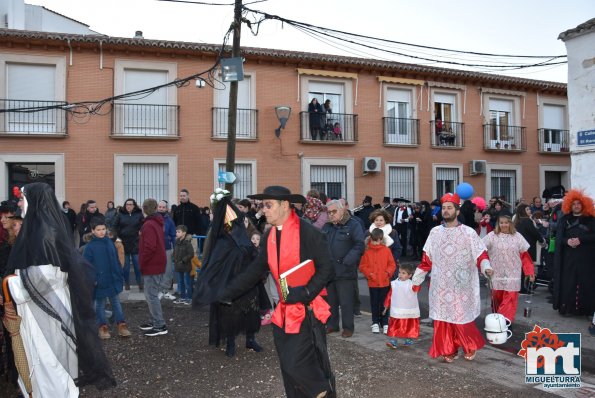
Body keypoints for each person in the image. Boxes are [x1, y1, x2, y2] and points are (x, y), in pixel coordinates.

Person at [217, 186, 336, 397]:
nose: (264, 210)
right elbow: (255, 271)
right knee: (287, 369)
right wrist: (228, 291)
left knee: (298, 365)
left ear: (285, 205)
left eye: (268, 205)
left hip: (307, 312)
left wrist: (306, 292)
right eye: (262, 205)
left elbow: (326, 269)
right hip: (284, 310)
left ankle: (322, 392)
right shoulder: (269, 235)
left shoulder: (309, 233)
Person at [4, 182, 116, 397]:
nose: (19, 203)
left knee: (50, 357)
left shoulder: (42, 232)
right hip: (43, 304)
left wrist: (11, 285)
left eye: (22, 198)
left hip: (46, 307)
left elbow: (45, 276)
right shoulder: (39, 228)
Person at [412, 193, 493, 363]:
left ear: (457, 211)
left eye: (450, 208)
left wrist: (486, 268)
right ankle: (449, 349)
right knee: (442, 319)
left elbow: (480, 254)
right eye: (444, 208)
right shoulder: (434, 232)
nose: (446, 211)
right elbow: (427, 258)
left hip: (462, 284)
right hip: (440, 285)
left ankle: (469, 345)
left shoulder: (468, 232)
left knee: (460, 317)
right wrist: (416, 279)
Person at [193, 191, 263, 358]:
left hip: (246, 280)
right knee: (230, 313)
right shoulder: (219, 236)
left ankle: (250, 339)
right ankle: (230, 342)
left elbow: (251, 248)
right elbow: (213, 256)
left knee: (251, 309)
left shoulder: (242, 229)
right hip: (229, 281)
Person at [83, 218, 132, 339]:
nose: (101, 232)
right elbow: (85, 266)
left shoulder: (110, 242)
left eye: (103, 229)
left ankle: (122, 325)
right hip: (99, 281)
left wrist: (119, 272)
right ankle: (102, 327)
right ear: (92, 231)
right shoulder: (89, 247)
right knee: (100, 304)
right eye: (98, 230)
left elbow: (115, 259)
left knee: (116, 302)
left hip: (112, 278)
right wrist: (92, 279)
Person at [323, 199, 365, 338]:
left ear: (342, 210)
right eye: (329, 212)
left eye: (334, 211)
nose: (331, 215)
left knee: (346, 302)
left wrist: (347, 261)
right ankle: (332, 325)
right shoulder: (327, 226)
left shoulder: (353, 225)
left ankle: (348, 328)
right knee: (331, 301)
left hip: (345, 270)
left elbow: (359, 245)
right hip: (329, 271)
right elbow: (321, 244)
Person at [482, 214, 535, 324]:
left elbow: (525, 256)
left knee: (510, 299)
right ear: (498, 224)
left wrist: (529, 272)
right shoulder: (492, 236)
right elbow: (481, 250)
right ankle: (497, 321)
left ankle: (506, 322)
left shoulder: (517, 236)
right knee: (497, 299)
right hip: (496, 273)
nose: (504, 225)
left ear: (510, 223)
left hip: (513, 273)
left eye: (506, 222)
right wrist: (485, 266)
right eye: (501, 223)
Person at [552, 189, 595, 321]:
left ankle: (586, 309)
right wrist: (567, 241)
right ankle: (567, 308)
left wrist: (581, 240)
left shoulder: (591, 220)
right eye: (574, 204)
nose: (576, 206)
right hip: (568, 258)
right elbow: (559, 238)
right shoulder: (564, 219)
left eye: (579, 203)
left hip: (586, 258)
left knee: (586, 283)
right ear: (569, 205)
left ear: (583, 205)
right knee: (568, 283)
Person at [138, 198, 168, 337]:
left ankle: (159, 325)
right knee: (151, 294)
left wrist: (142, 262)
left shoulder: (149, 225)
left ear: (144, 209)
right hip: (158, 262)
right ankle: (155, 320)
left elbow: (150, 247)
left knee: (151, 295)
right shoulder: (156, 222)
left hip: (152, 264)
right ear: (155, 208)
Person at [359, 228, 396, 335]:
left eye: (378, 240)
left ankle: (384, 323)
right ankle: (375, 322)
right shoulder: (367, 251)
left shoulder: (386, 250)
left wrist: (387, 273)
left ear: (381, 240)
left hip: (384, 282)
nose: (375, 242)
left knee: (384, 303)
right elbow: (362, 266)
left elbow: (392, 264)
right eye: (374, 240)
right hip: (373, 282)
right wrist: (369, 274)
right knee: (374, 303)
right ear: (371, 238)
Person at [383, 264, 421, 348]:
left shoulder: (412, 284)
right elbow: (390, 295)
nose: (400, 274)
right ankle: (393, 341)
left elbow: (417, 288)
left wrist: (417, 279)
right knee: (395, 325)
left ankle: (408, 339)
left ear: (410, 275)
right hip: (397, 309)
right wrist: (386, 305)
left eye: (403, 273)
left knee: (408, 326)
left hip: (409, 310)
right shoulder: (394, 283)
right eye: (399, 272)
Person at [113, 198, 144, 291]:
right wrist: (117, 238)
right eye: (127, 204)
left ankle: (140, 283)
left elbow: (144, 225)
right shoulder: (120, 215)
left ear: (134, 205)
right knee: (125, 266)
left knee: (137, 265)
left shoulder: (139, 215)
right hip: (123, 243)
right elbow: (114, 226)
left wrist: (141, 232)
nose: (128, 206)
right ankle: (126, 283)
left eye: (130, 204)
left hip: (136, 243)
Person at [158, 200, 177, 300]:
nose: (161, 208)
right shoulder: (153, 219)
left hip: (167, 248)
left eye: (163, 207)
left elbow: (173, 235)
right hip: (155, 249)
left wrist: (175, 248)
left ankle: (165, 291)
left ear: (166, 208)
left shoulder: (169, 220)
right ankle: (158, 291)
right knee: (157, 270)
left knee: (167, 270)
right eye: (160, 207)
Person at [172, 225, 194, 305]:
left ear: (184, 233)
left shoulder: (187, 243)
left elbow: (191, 254)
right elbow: (175, 251)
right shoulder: (177, 242)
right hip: (179, 266)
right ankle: (182, 297)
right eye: (176, 232)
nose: (176, 233)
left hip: (186, 266)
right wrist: (173, 258)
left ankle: (189, 298)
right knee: (181, 283)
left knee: (187, 283)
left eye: (178, 232)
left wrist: (183, 260)